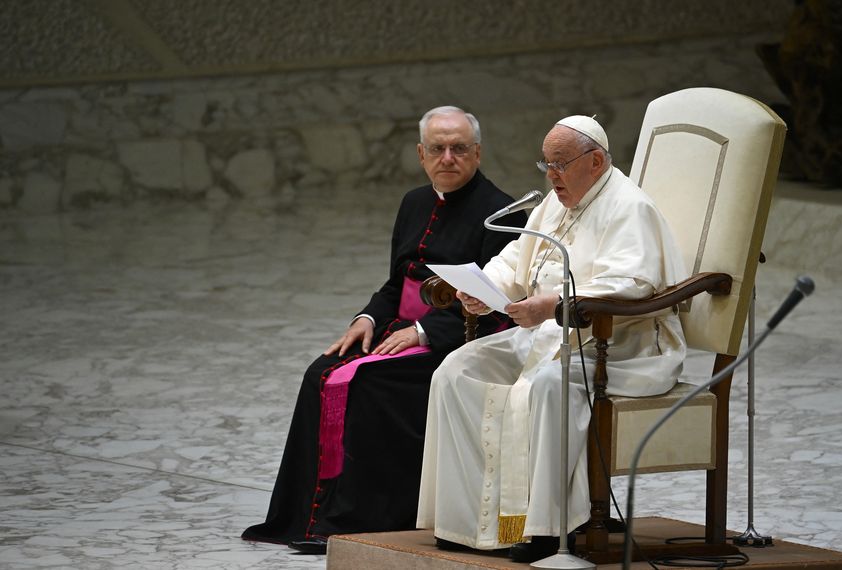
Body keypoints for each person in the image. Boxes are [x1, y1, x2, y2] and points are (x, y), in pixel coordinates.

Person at [241, 106, 527, 554]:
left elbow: (494, 303)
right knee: (320, 372)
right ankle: (304, 518)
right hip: (398, 326)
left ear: (477, 152)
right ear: (420, 153)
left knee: (369, 382)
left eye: (459, 148)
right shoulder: (414, 202)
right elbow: (398, 281)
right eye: (437, 148)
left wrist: (423, 332)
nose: (447, 157)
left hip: (461, 338)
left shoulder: (499, 212)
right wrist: (367, 319)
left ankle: (355, 520)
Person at [416, 115, 688, 563]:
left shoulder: (629, 208)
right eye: (547, 163)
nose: (551, 176)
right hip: (550, 336)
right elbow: (513, 259)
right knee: (455, 371)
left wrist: (553, 305)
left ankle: (545, 530)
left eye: (560, 163)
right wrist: (487, 290)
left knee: (548, 384)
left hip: (621, 346)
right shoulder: (557, 203)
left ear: (596, 160)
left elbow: (630, 286)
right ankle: (466, 522)